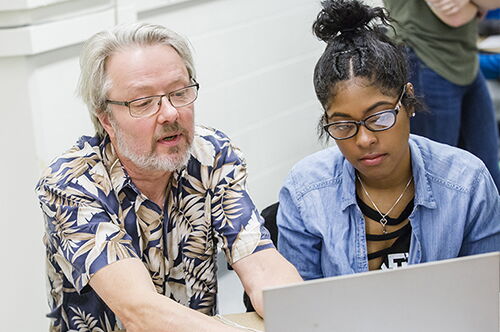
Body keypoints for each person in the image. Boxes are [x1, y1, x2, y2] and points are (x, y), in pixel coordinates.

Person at [35, 23, 302, 332]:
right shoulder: (71, 184)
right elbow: (141, 312)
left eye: (179, 93)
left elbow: (263, 268)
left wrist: (303, 318)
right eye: (143, 102)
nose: (170, 113)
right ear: (106, 118)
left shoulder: (212, 156)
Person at [276, 0, 500, 280]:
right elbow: (299, 307)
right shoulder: (305, 190)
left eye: (379, 117)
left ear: (408, 101)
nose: (365, 140)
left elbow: (487, 295)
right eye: (343, 125)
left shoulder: (468, 182)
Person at [382, 0, 500, 192]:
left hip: (465, 58)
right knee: (437, 180)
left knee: (488, 171)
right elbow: (453, 14)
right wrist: (478, 6)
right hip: (425, 58)